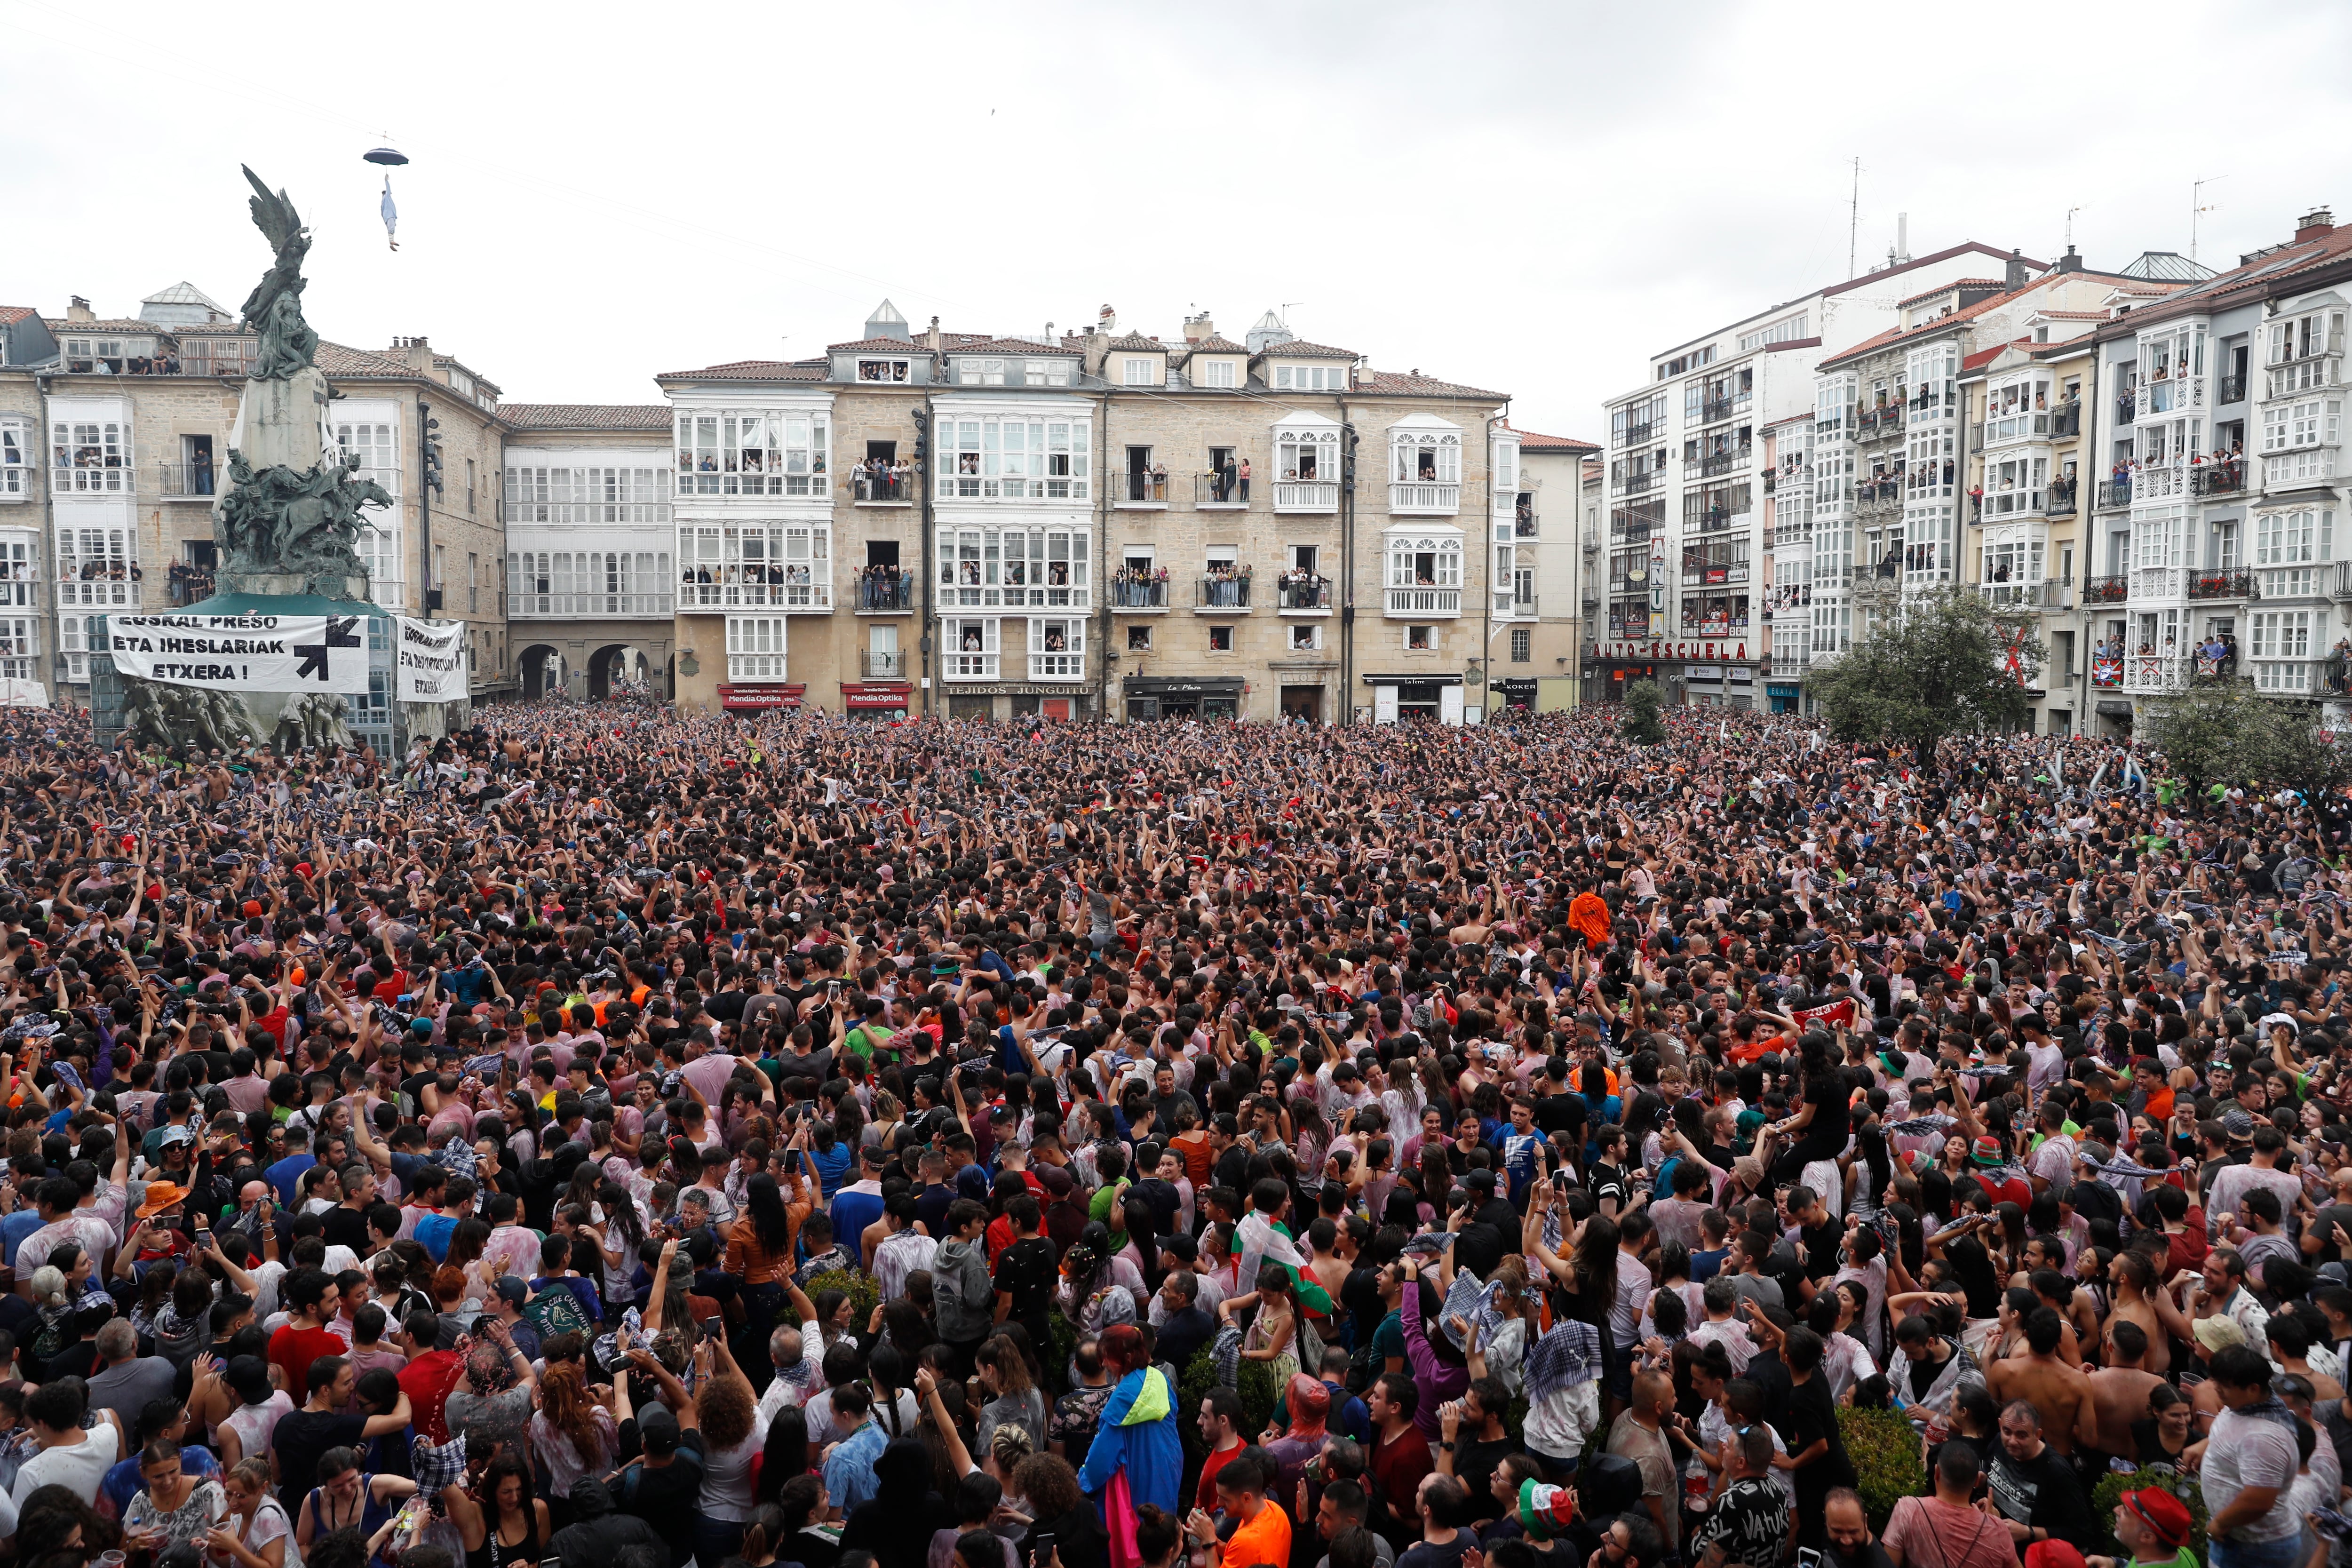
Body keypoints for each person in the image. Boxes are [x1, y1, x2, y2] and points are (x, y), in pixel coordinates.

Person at [2200, 1344, 2304, 1568]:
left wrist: (2219, 1522)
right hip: (2241, 1539)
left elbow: (2259, 1501)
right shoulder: (2247, 1405)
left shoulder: (2263, 1437)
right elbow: (2233, 1431)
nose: (2216, 1390)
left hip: (2254, 1548)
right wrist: (2204, 1448)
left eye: (2224, 1387)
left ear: (2253, 1389)